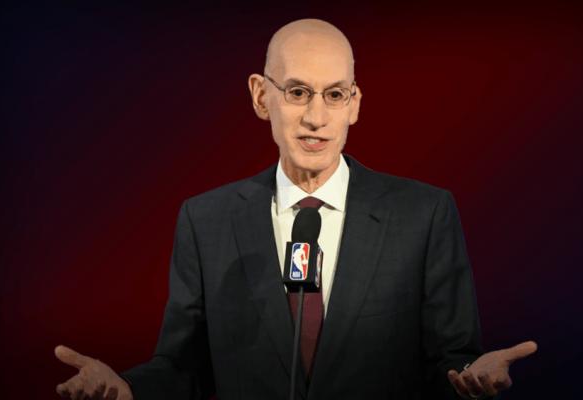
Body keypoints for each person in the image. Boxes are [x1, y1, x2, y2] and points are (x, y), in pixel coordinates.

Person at [54, 18, 537, 400]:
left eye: (335, 95)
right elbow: (184, 366)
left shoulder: (424, 215)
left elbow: (450, 360)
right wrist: (129, 388)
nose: (315, 117)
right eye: (298, 92)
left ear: (354, 104)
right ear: (261, 96)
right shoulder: (206, 222)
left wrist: (472, 376)